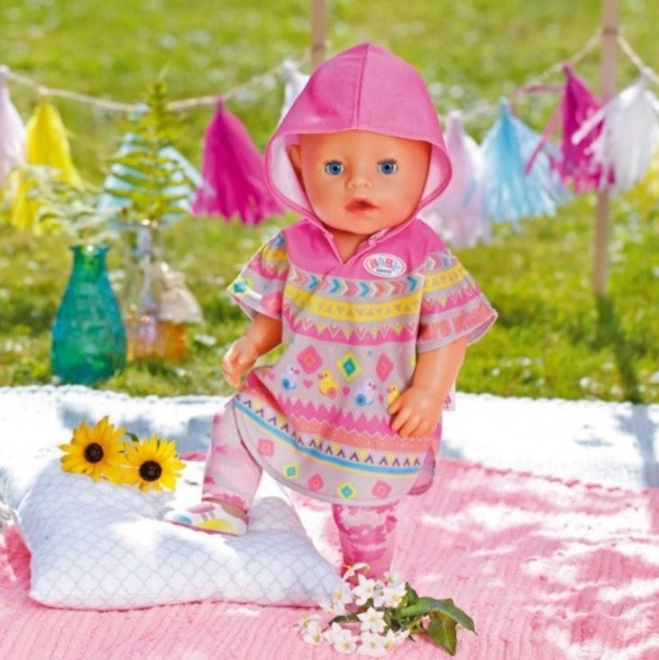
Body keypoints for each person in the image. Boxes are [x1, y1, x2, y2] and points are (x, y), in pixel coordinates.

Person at [165, 43, 497, 579]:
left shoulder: (423, 255)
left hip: (377, 412)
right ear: (300, 165)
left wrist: (429, 392)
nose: (358, 183)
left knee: (364, 507)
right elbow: (276, 308)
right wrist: (253, 342)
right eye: (335, 166)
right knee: (237, 419)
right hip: (296, 392)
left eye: (387, 166)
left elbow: (448, 330)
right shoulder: (294, 244)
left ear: (425, 166)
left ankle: (366, 577)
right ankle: (224, 503)